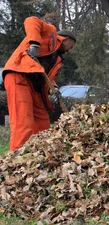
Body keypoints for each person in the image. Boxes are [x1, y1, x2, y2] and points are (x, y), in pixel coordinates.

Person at [1, 16, 76, 151]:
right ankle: (16, 160)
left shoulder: (57, 59)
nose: (71, 50)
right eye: (72, 45)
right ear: (66, 39)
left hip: (35, 85)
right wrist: (34, 44)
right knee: (23, 122)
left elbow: (49, 77)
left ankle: (37, 154)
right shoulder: (50, 32)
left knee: (42, 121)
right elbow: (31, 20)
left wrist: (54, 89)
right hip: (19, 75)